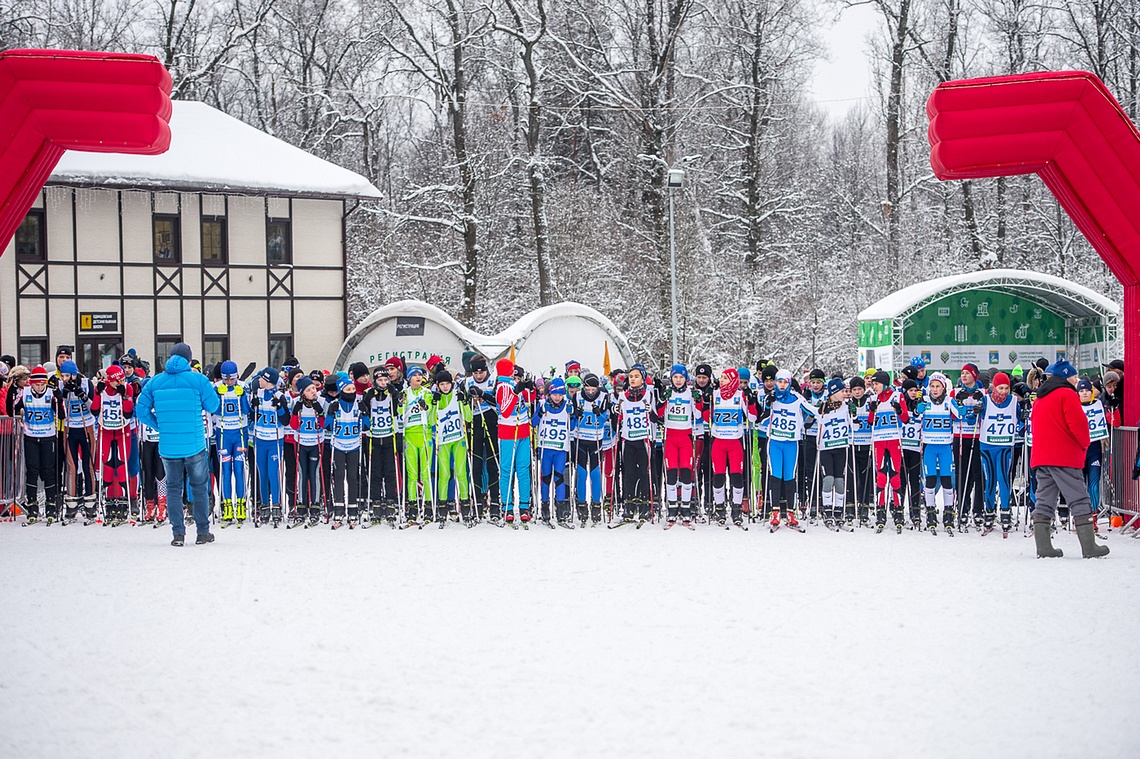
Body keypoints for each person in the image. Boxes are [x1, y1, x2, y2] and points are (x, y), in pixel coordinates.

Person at [135, 343, 221, 546]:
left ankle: (178, 534)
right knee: (199, 488)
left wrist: (159, 426)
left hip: (168, 446)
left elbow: (141, 410)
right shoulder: (198, 380)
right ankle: (202, 532)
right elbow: (214, 406)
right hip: (194, 444)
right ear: (189, 360)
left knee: (173, 488)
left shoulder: (155, 382)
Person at [1029, 359, 1107, 558]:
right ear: (1066, 376)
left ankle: (1044, 546)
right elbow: (1079, 425)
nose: (1076, 379)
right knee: (1079, 498)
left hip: (1042, 456)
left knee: (1044, 499)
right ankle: (1089, 547)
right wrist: (1084, 444)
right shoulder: (1067, 395)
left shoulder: (1040, 398)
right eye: (1074, 375)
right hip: (1064, 456)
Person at [14, 365, 62, 524]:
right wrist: (12, 392)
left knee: (48, 471)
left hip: (48, 437)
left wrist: (58, 396)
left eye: (42, 384)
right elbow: (12, 408)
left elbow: (61, 414)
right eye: (37, 384)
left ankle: (50, 504)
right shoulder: (25, 392)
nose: (40, 387)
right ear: (31, 383)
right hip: (31, 437)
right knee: (32, 470)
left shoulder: (50, 393)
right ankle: (32, 504)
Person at [915, 372, 958, 534]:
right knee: (930, 480)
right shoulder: (925, 401)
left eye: (937, 386)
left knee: (947, 481)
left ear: (943, 387)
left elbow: (961, 415)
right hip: (930, 448)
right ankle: (931, 512)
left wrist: (960, 407)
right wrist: (917, 409)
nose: (934, 389)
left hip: (946, 447)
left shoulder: (949, 401)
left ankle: (948, 512)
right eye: (932, 386)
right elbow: (915, 417)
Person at [977, 372, 1017, 535]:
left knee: (1003, 479)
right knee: (990, 480)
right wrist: (975, 412)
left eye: (1006, 388)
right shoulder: (985, 400)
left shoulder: (1014, 401)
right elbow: (973, 419)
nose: (1004, 391)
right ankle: (989, 512)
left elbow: (1021, 420)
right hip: (987, 446)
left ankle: (1006, 512)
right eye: (1001, 388)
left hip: (1004, 445)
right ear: (994, 387)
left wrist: (1022, 418)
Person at [534, 377, 573, 526]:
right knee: (546, 478)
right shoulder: (543, 404)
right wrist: (539, 413)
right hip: (546, 448)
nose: (557, 397)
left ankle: (561, 507)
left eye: (560, 394)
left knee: (559, 477)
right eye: (554, 394)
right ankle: (545, 506)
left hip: (560, 449)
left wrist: (574, 414)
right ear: (549, 394)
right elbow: (533, 423)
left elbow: (573, 426)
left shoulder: (567, 406)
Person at [816, 377, 852, 530]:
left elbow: (854, 426)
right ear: (833, 392)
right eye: (841, 391)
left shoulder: (846, 406)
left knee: (839, 481)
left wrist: (853, 414)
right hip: (826, 447)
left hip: (841, 447)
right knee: (828, 479)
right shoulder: (823, 406)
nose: (845, 394)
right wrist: (821, 413)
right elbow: (813, 421)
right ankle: (827, 510)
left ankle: (838, 512)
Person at [1078, 378, 1108, 531]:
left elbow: (1108, 419)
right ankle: (1082, 517)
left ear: (1091, 392)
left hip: (1094, 449)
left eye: (1087, 391)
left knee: (1094, 484)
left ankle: (1094, 516)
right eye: (1081, 391)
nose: (1084, 393)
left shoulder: (1098, 404)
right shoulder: (1074, 406)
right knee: (1081, 485)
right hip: (1079, 450)